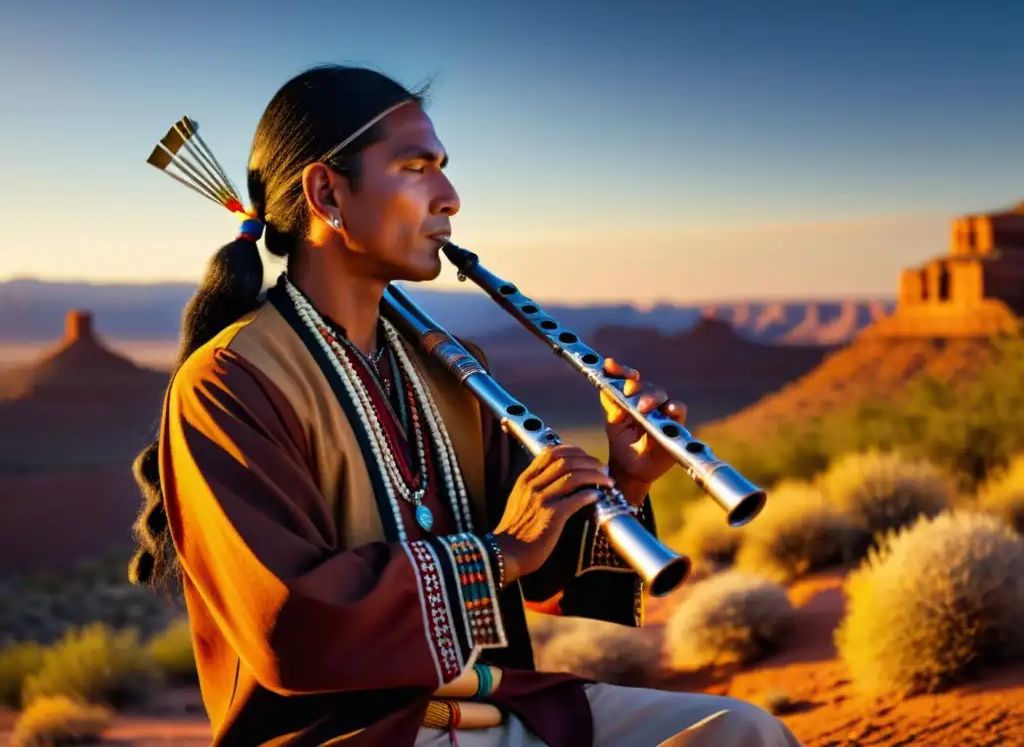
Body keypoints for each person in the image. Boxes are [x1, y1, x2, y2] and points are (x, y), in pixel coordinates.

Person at [129, 64, 803, 747]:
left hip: (498, 706)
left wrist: (623, 478)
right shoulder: (229, 382)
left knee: (740, 731)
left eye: (443, 168)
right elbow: (288, 623)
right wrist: (498, 553)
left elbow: (549, 568)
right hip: (355, 736)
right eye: (416, 168)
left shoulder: (451, 370)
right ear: (326, 192)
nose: (449, 197)